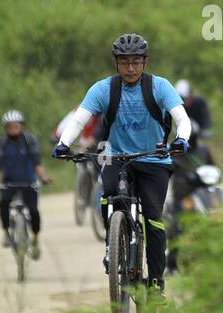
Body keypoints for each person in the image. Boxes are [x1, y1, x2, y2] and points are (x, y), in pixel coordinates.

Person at [54, 33, 191, 299]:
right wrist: (63, 144)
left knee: (153, 220)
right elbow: (78, 120)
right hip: (115, 158)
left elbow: (182, 119)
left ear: (145, 62)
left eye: (136, 62)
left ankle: (155, 283)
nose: (130, 68)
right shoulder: (103, 89)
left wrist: (181, 139)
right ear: (115, 63)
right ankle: (113, 245)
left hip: (154, 160)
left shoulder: (160, 87)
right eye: (124, 62)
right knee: (110, 201)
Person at [0, 110, 53, 259]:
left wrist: (43, 177)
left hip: (29, 182)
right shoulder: (2, 142)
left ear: (21, 126)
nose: (14, 129)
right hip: (9, 182)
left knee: (34, 211)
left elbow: (37, 161)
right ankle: (6, 232)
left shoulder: (29, 140)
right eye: (10, 126)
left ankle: (35, 239)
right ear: (6, 128)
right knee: (3, 203)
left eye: (16, 126)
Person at [173, 79, 215, 165]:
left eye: (184, 99)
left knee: (203, 149)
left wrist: (204, 130)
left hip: (198, 132)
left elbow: (206, 118)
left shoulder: (199, 102)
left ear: (190, 94)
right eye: (180, 99)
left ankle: (210, 169)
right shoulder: (177, 105)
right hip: (183, 132)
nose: (183, 102)